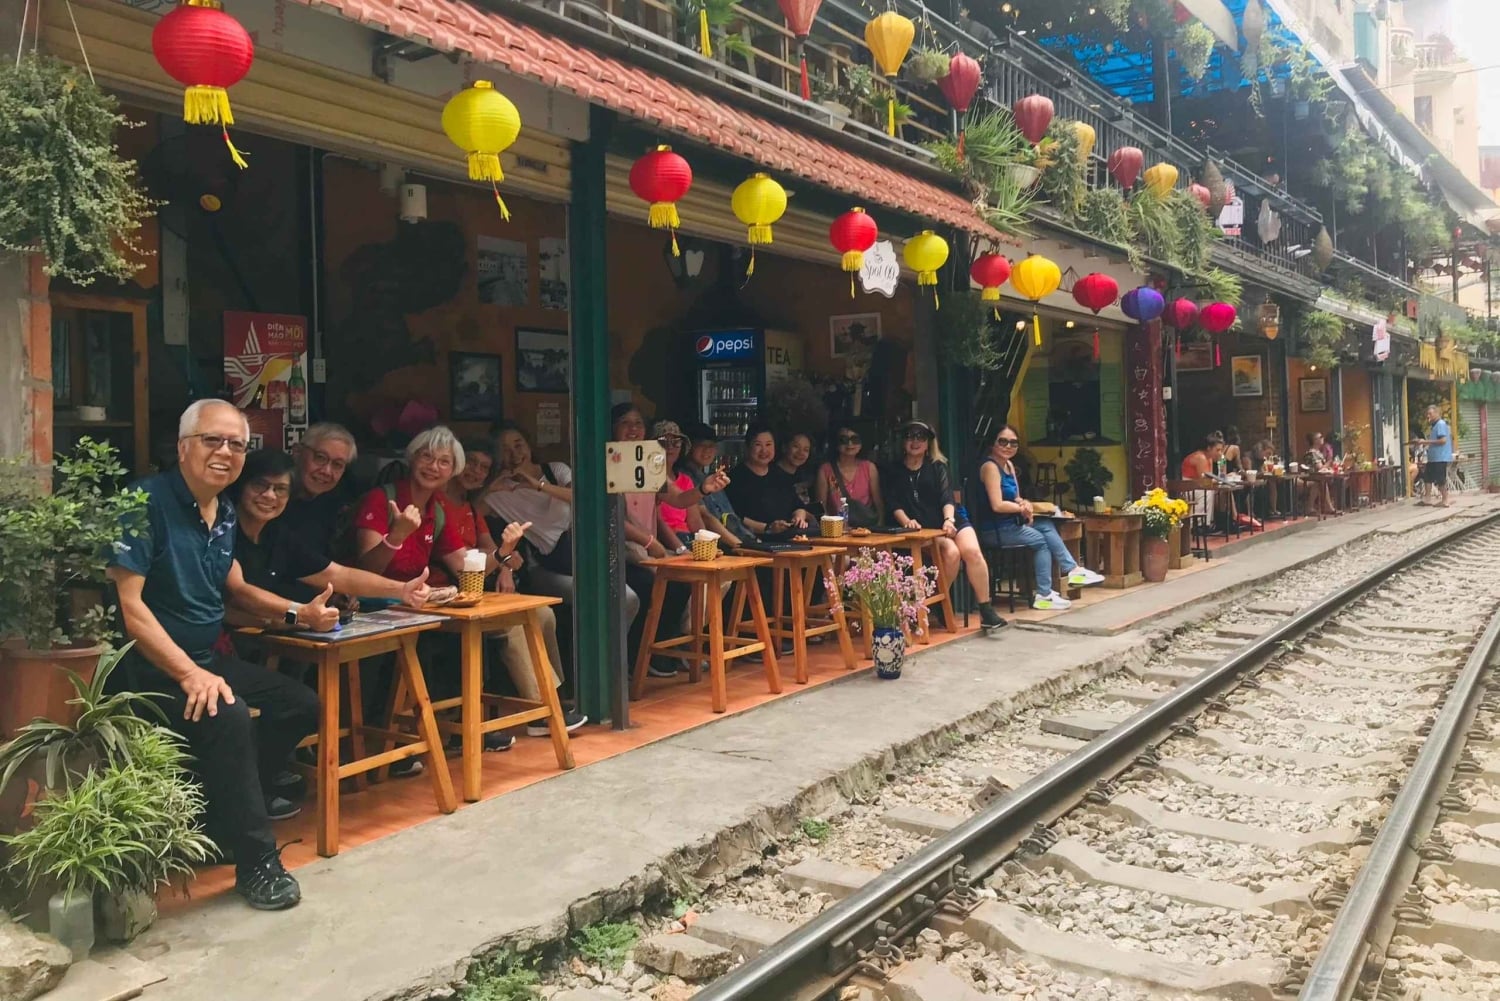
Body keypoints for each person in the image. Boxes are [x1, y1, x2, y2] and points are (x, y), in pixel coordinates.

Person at [107, 400, 330, 911]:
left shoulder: (223, 509)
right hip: (148, 665)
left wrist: (300, 613)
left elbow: (238, 590)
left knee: (298, 702)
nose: (225, 452)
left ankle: (217, 821)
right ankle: (256, 861)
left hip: (205, 657)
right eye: (213, 440)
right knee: (226, 713)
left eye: (236, 444)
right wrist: (190, 675)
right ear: (184, 446)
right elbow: (130, 606)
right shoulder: (145, 502)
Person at [442, 437, 588, 735]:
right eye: (470, 463)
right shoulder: (442, 506)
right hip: (447, 595)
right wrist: (503, 558)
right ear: (456, 464)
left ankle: (552, 699)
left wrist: (505, 561)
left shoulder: (469, 508)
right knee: (514, 624)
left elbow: (491, 548)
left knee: (544, 613)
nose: (476, 471)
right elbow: (466, 561)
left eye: (483, 467)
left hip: (477, 590)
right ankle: (541, 711)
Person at [885, 420, 1006, 634]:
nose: (915, 442)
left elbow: (947, 497)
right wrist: (907, 522)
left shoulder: (937, 466)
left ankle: (985, 610)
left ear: (929, 442)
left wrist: (949, 521)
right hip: (919, 528)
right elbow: (894, 503)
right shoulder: (894, 469)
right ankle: (935, 604)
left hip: (947, 518)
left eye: (921, 437)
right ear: (903, 441)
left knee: (972, 551)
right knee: (951, 552)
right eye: (911, 436)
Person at [970, 424, 1102, 611]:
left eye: (1013, 443)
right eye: (1003, 441)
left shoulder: (1008, 465)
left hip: (1011, 524)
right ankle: (1044, 594)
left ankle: (1072, 570)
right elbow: (997, 504)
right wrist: (1021, 509)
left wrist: (1024, 503)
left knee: (1046, 525)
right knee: (1040, 541)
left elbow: (1015, 496)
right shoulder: (990, 467)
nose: (1008, 446)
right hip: (995, 529)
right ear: (993, 443)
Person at [284, 422, 359, 555]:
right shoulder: (271, 499)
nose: (326, 471)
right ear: (297, 452)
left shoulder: (337, 509)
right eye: (320, 457)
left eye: (337, 464)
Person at [725, 425, 813, 538]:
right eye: (758, 445)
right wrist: (768, 528)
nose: (764, 450)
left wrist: (799, 518)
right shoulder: (736, 478)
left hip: (787, 538)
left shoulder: (779, 473)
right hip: (753, 541)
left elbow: (797, 505)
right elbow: (735, 517)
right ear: (747, 447)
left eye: (768, 444)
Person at [682, 422, 751, 549]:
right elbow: (707, 518)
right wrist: (740, 546)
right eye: (701, 445)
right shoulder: (684, 477)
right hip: (718, 546)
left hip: (737, 541)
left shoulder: (711, 476)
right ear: (689, 447)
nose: (707, 450)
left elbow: (730, 517)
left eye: (712, 446)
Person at [814, 425, 884, 529]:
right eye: (844, 440)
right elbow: (821, 507)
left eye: (855, 439)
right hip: (837, 532)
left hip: (867, 530)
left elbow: (878, 503)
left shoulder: (869, 468)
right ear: (836, 443)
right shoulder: (825, 470)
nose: (850, 444)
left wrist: (880, 527)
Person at [654, 421, 706, 547]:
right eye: (663, 442)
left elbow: (695, 521)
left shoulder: (686, 480)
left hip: (689, 541)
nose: (670, 447)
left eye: (676, 442)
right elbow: (659, 522)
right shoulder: (651, 479)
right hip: (666, 545)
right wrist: (681, 550)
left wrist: (707, 546)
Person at [1414, 404, 1453, 507]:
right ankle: (1427, 499)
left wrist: (1425, 441)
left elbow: (1443, 440)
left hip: (1440, 457)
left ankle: (1445, 500)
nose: (1428, 416)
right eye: (1427, 413)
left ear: (1437, 413)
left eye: (1430, 413)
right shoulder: (1434, 426)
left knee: (1440, 479)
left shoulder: (1440, 424)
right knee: (1427, 477)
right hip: (1433, 458)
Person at [776, 432, 818, 511]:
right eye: (796, 446)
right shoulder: (770, 474)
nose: (801, 453)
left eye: (806, 450)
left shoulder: (806, 477)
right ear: (784, 447)